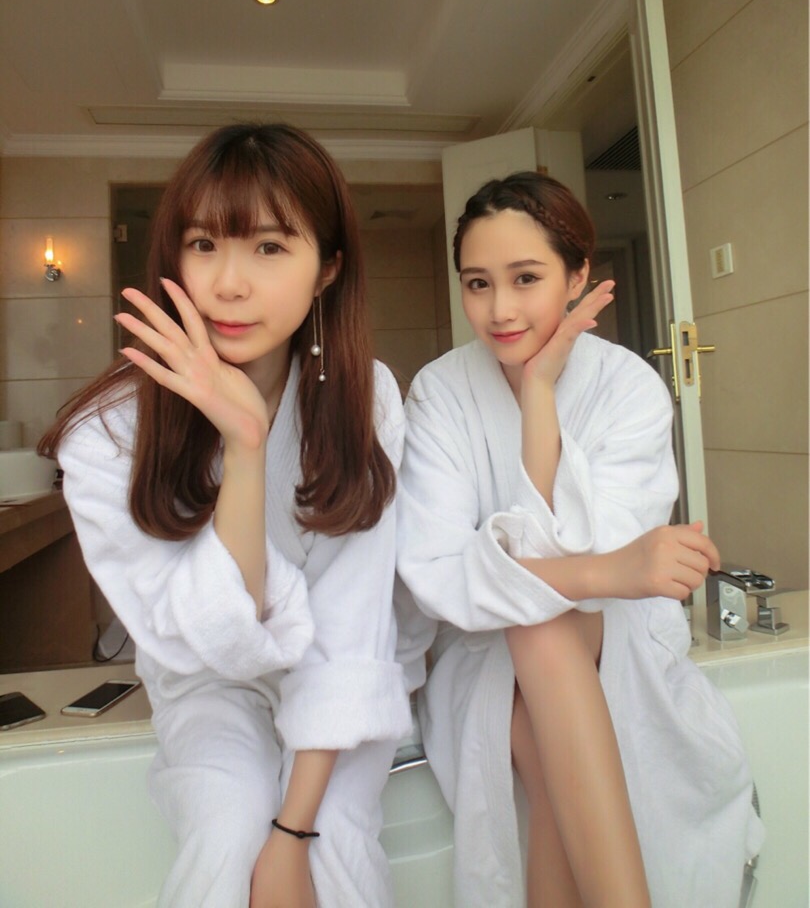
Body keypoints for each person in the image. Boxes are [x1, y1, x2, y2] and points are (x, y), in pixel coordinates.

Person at [40, 123, 412, 908]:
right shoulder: (108, 432)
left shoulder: (366, 399)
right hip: (203, 680)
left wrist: (295, 834)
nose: (228, 284)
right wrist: (244, 448)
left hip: (336, 681)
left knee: (334, 843)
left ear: (328, 269)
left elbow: (352, 627)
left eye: (270, 247)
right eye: (204, 244)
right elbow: (204, 640)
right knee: (228, 828)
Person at [396, 172, 764, 908]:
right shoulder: (439, 392)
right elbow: (437, 575)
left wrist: (538, 396)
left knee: (543, 626)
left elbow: (568, 578)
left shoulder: (628, 388)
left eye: (525, 278)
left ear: (577, 276)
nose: (499, 309)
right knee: (536, 644)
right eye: (477, 283)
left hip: (614, 642)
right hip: (484, 654)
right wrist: (609, 570)